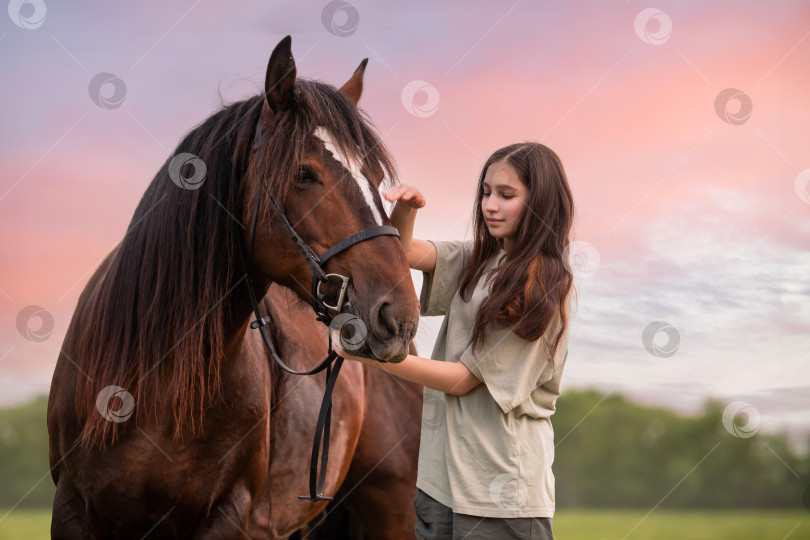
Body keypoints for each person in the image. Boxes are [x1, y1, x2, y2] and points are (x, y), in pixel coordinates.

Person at [333, 142, 576, 540]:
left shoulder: (544, 286)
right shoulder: (478, 260)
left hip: (498, 492)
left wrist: (369, 356)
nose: (490, 205)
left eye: (506, 195)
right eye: (485, 192)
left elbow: (463, 379)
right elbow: (403, 252)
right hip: (439, 484)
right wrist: (407, 208)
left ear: (540, 202)